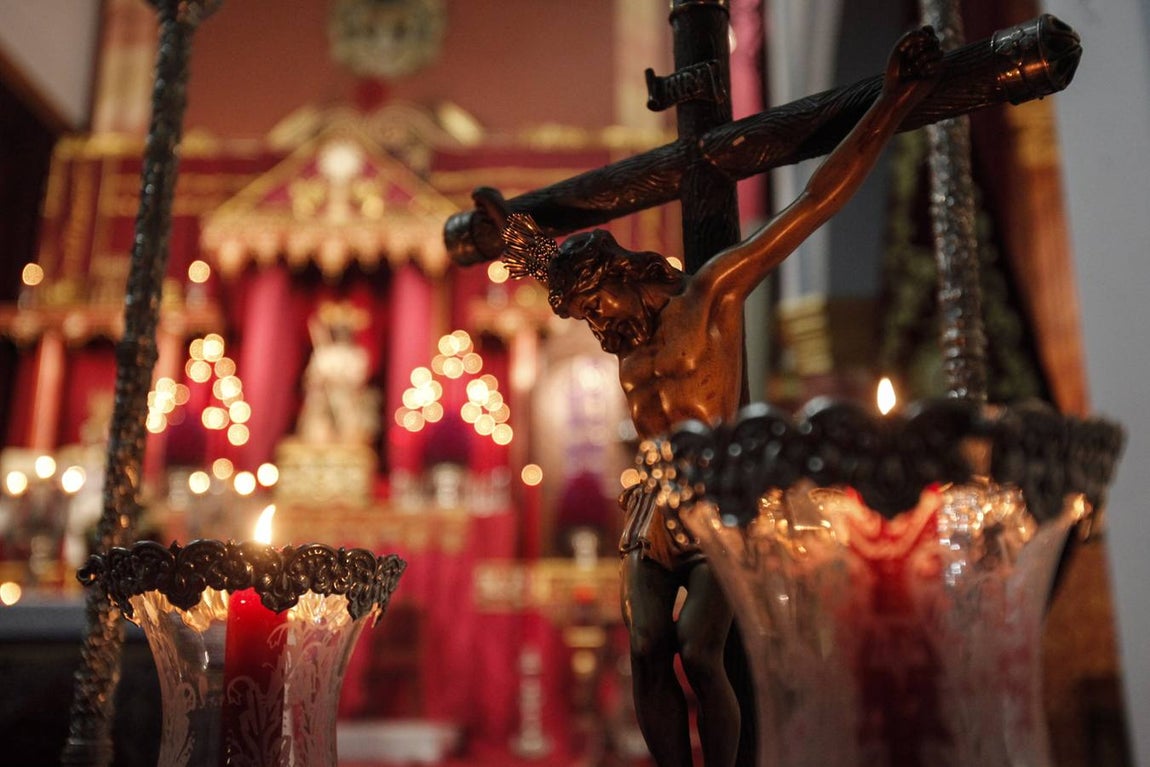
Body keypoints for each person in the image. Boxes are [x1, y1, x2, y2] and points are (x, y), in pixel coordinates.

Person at [475, 26, 942, 767]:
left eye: (599, 309)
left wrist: (891, 99)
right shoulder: (624, 334)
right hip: (651, 507)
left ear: (626, 276)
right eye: (588, 316)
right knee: (647, 647)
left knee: (700, 650)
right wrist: (516, 243)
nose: (599, 326)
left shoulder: (709, 300)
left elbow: (812, 205)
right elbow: (556, 274)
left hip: (726, 502)